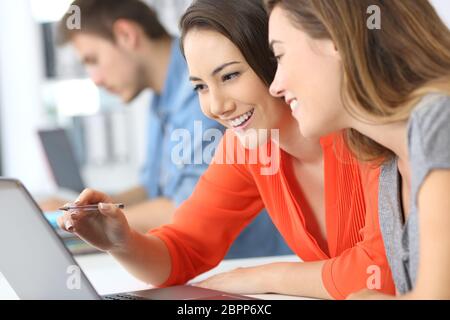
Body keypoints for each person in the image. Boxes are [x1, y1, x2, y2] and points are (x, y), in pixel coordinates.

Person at [58, 0, 395, 299]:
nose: (216, 106)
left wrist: (266, 276)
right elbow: (184, 249)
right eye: (201, 86)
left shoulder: (367, 133)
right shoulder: (246, 148)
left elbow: (380, 271)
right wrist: (122, 242)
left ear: (276, 61)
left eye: (230, 76)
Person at [53, 0, 291, 258]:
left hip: (249, 261)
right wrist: (84, 209)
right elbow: (151, 187)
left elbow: (187, 209)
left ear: (126, 35)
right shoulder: (161, 98)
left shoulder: (206, 92)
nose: (95, 78)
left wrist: (98, 224)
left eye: (93, 59)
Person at [266, 0, 450, 299]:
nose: (275, 86)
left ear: (335, 39)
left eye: (280, 55)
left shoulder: (440, 121)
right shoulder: (390, 165)